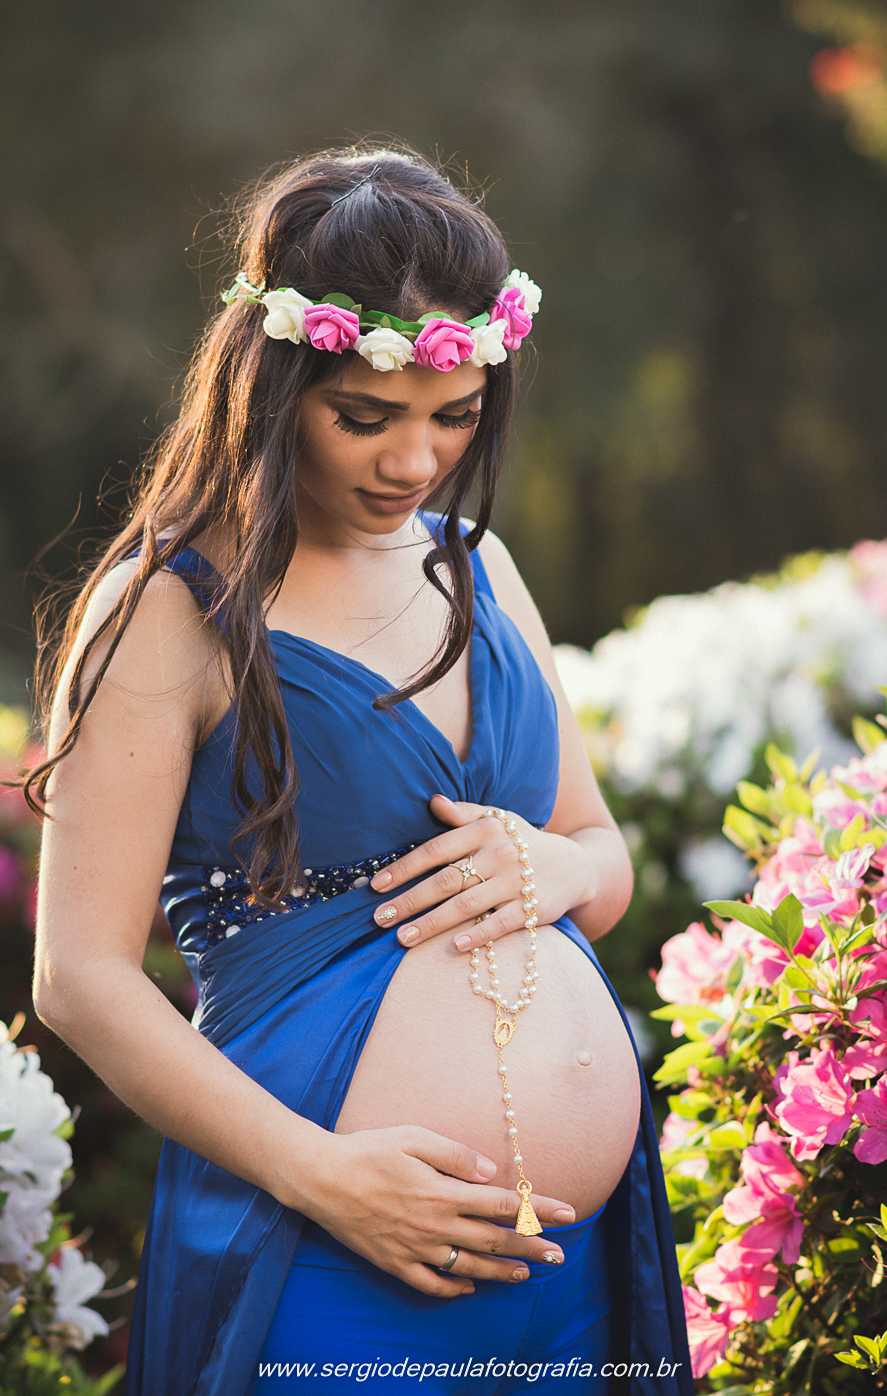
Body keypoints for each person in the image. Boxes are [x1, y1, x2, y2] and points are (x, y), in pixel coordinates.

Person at [29, 146, 693, 1394]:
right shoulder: (168, 612)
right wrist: (323, 1174)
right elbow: (79, 978)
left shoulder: (478, 570)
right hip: (324, 1243)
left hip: (573, 1268)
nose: (415, 462)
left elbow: (604, 861)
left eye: (457, 416)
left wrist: (549, 862)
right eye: (366, 417)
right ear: (275, 381)